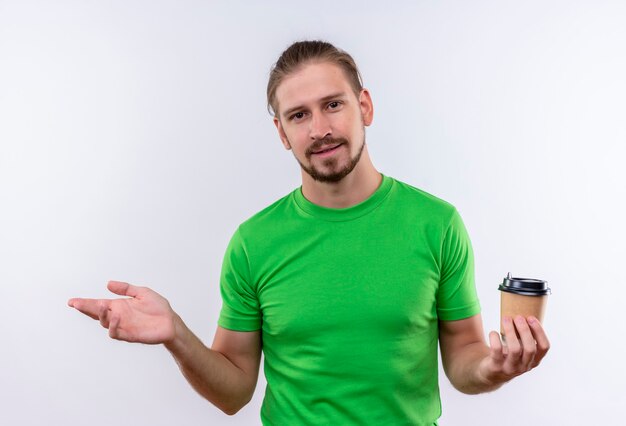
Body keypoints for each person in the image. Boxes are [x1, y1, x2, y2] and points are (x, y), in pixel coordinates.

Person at [68, 40, 550, 425]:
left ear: (365, 106)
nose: (319, 128)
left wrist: (494, 367)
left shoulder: (437, 224)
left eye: (333, 104)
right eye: (299, 115)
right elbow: (233, 391)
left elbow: (465, 357)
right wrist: (177, 335)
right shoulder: (253, 243)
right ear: (282, 133)